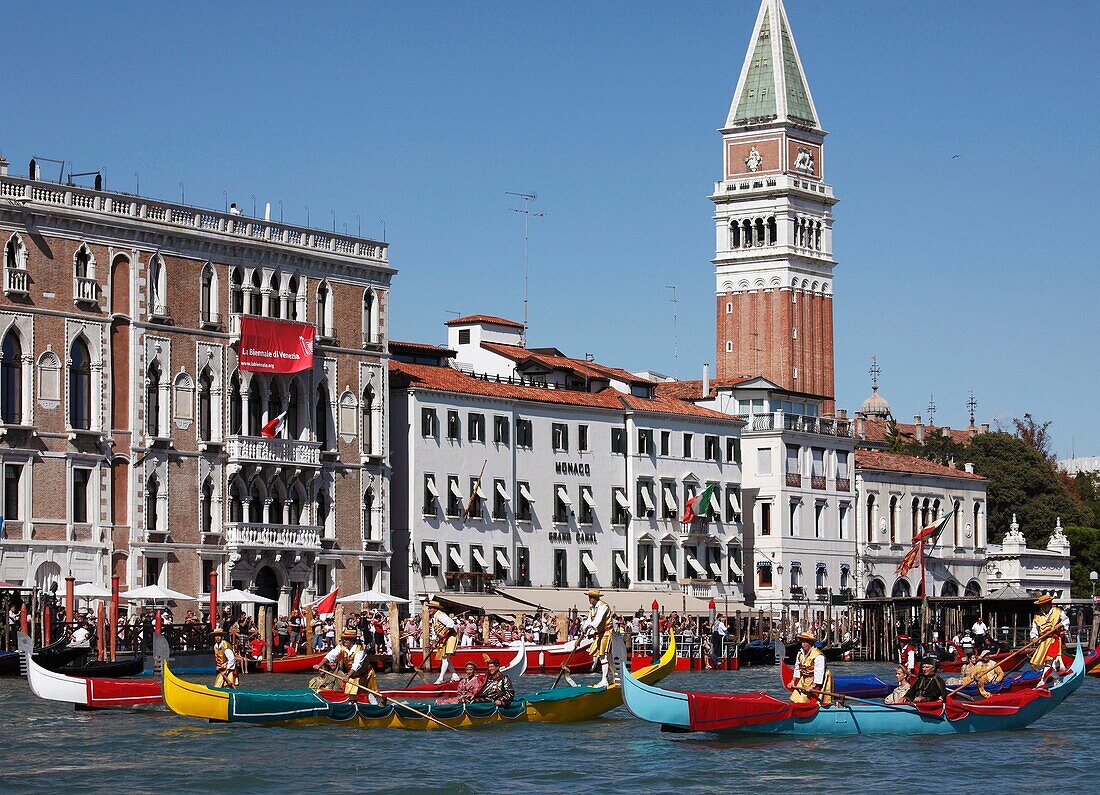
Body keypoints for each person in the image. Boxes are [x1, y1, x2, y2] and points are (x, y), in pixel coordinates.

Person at [316, 629, 377, 699]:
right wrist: (320, 665)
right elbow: (331, 655)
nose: (345, 640)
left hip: (366, 675)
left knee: (370, 696)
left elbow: (357, 665)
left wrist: (347, 676)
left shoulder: (360, 650)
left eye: (347, 639)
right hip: (353, 676)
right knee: (350, 695)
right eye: (344, 638)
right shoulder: (341, 647)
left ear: (353, 640)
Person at [579, 589, 613, 687]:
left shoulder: (603, 606)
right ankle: (613, 677)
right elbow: (589, 620)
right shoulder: (592, 608)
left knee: (604, 656)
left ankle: (604, 680)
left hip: (607, 632)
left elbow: (598, 620)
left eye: (591, 597)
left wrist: (590, 626)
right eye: (589, 597)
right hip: (600, 633)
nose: (589, 599)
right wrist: (584, 627)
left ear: (596, 598)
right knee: (605, 656)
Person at [788, 631, 833, 705]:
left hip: (817, 679)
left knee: (806, 700)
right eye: (802, 642)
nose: (802, 644)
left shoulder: (818, 656)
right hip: (805, 678)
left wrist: (812, 686)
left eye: (804, 642)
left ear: (810, 643)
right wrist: (793, 681)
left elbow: (819, 673)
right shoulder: (800, 654)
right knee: (795, 698)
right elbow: (797, 668)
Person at [1029, 594, 1070, 671]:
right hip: (1043, 640)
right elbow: (1034, 628)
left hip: (1054, 639)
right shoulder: (1037, 615)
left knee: (1049, 659)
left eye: (1046, 604)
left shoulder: (1058, 611)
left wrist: (1060, 624)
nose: (1044, 606)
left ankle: (1051, 673)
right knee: (1033, 663)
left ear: (1049, 603)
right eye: (1043, 604)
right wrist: (1034, 637)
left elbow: (1066, 620)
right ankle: (1041, 676)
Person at [426, 601, 459, 684]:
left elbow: (451, 623)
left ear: (435, 608)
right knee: (446, 658)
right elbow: (436, 631)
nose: (429, 609)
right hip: (443, 639)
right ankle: (455, 675)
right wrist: (434, 642)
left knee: (445, 657)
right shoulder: (434, 617)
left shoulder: (440, 615)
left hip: (450, 637)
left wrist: (444, 632)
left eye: (431, 608)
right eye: (429, 607)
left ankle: (440, 678)